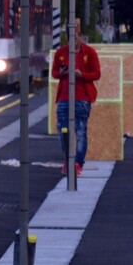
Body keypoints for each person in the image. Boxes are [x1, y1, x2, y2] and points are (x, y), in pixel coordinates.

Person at [51, 23, 100, 177]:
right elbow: (54, 73)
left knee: (80, 132)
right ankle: (68, 160)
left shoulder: (90, 52)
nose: (74, 40)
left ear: (80, 36)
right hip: (64, 98)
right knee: (62, 131)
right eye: (70, 38)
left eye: (76, 37)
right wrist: (62, 73)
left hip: (82, 98)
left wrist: (82, 75)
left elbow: (97, 74)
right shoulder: (61, 52)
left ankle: (78, 163)